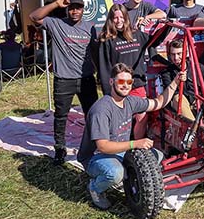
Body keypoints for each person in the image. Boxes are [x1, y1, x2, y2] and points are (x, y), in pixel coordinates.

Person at [77, 62, 186, 210]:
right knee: (115, 173)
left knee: (157, 156)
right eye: (121, 81)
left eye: (129, 82)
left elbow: (158, 103)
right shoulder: (101, 109)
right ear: (111, 82)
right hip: (96, 156)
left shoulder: (130, 101)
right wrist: (135, 144)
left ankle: (130, 177)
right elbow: (102, 146)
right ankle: (95, 188)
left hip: (121, 151)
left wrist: (175, 82)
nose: (125, 85)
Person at [29, 0, 99, 165]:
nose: (75, 11)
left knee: (93, 114)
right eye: (72, 8)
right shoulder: (56, 24)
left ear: (83, 10)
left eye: (78, 8)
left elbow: (96, 52)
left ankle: (94, 145)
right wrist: (56, 3)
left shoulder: (91, 27)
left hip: (86, 79)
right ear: (67, 9)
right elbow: (34, 17)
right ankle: (60, 148)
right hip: (64, 80)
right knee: (61, 116)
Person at [98, 3, 158, 138]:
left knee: (142, 116)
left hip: (137, 83)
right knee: (120, 120)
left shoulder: (137, 35)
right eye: (115, 18)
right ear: (110, 19)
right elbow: (104, 66)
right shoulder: (106, 39)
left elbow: (156, 40)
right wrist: (108, 90)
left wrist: (160, 23)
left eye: (121, 17)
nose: (119, 21)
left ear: (126, 18)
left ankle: (137, 146)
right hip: (119, 86)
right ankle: (118, 145)